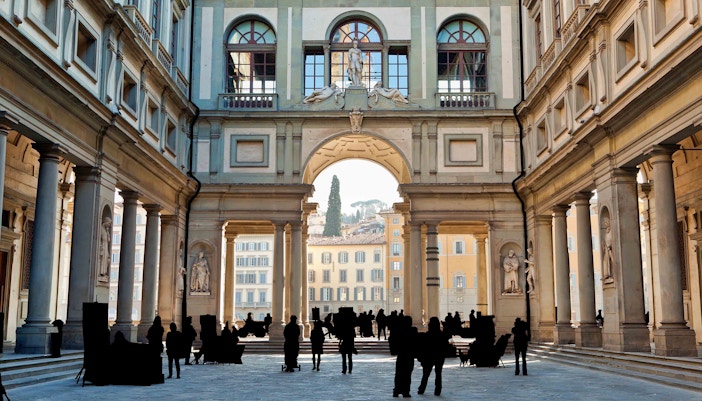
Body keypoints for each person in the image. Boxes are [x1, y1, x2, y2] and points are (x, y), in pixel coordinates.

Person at [417, 317, 449, 396]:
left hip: (429, 356)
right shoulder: (442, 335)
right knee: (438, 373)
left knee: (426, 374)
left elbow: (423, 347)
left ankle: (421, 389)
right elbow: (445, 346)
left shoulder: (427, 335)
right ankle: (438, 390)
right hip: (439, 356)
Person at [392, 315, 417, 398]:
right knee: (407, 374)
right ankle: (405, 391)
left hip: (401, 355)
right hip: (409, 355)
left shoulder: (399, 331)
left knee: (399, 374)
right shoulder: (413, 331)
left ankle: (396, 390)